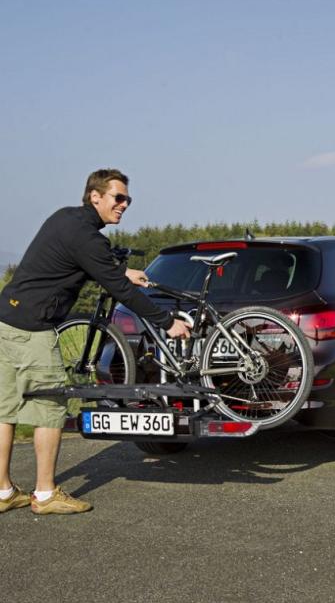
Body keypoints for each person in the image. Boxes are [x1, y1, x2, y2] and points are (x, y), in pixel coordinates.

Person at [0, 169, 191, 515]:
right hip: (33, 329)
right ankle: (45, 494)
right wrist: (167, 322)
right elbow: (121, 291)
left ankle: (3, 492)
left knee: (4, 409)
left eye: (128, 199)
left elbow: (83, 260)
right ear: (95, 196)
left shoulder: (66, 218)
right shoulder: (89, 237)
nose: (124, 204)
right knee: (50, 408)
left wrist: (120, 270)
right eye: (118, 198)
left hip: (6, 319)